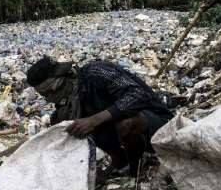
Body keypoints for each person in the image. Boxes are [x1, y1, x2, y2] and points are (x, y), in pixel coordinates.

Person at [26, 57, 172, 174]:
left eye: (51, 92)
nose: (50, 98)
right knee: (75, 128)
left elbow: (138, 95)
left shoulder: (96, 73)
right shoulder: (69, 104)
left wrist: (94, 120)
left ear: (66, 77)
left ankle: (136, 171)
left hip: (159, 127)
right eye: (45, 95)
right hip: (128, 141)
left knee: (127, 122)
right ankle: (121, 162)